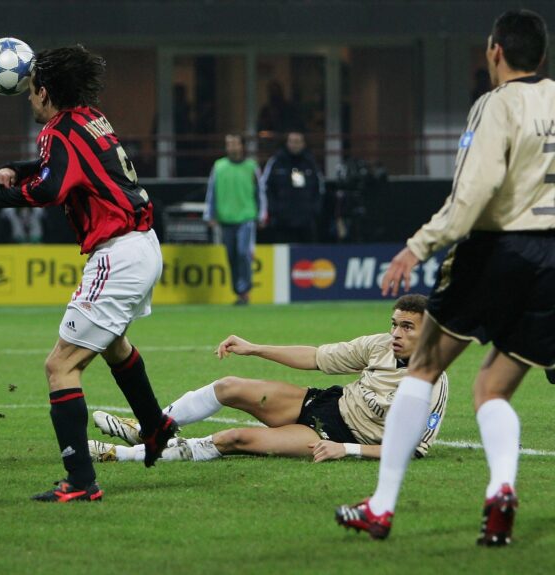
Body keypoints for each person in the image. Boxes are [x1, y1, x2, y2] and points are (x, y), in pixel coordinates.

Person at [335, 9, 555, 547]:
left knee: (424, 367)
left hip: (499, 247)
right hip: (552, 259)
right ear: (542, 56)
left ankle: (381, 507)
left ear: (494, 51)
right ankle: (501, 488)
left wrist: (418, 245)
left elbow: (472, 192)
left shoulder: (496, 104)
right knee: (492, 387)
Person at [0, 45, 178, 503]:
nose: (28, 99)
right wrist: (18, 169)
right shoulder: (89, 117)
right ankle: (155, 426)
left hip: (118, 253)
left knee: (60, 365)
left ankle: (81, 481)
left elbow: (49, 188)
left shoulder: (56, 129)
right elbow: (69, 166)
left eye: (31, 91)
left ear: (45, 92)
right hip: (142, 244)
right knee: (114, 345)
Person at [89, 295, 448, 465]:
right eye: (394, 323)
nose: (395, 333)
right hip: (324, 403)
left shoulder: (433, 384)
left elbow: (414, 449)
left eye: (406, 327)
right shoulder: (379, 345)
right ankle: (149, 426)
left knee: (234, 438)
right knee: (229, 385)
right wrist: (255, 348)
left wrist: (346, 449)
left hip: (335, 435)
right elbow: (316, 357)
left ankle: (118, 455)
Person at [204, 134, 266, 305]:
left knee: (242, 252)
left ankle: (244, 291)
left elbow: (260, 192)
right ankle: (238, 292)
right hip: (226, 218)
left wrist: (262, 214)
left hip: (246, 217)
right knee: (231, 256)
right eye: (228, 144)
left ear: (242, 146)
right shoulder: (219, 166)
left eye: (234, 143)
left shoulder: (251, 166)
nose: (231, 147)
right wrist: (210, 214)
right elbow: (212, 191)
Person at [259, 131, 324, 243]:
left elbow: (320, 189)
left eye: (298, 141)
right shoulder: (276, 162)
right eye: (292, 141)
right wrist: (274, 209)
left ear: (303, 144)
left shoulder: (310, 163)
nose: (295, 145)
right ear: (287, 143)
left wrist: (313, 210)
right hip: (281, 221)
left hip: (306, 221)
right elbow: (265, 187)